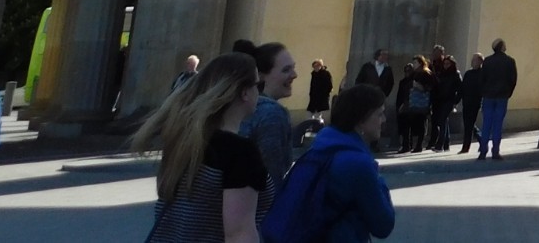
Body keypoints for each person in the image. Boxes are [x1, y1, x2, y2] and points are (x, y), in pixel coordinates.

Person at [134, 50, 272, 243]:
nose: (260, 91)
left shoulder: (184, 140)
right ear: (245, 92)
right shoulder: (240, 153)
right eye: (259, 85)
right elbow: (239, 233)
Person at [263, 82, 394, 243]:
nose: (384, 120)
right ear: (361, 120)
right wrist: (379, 180)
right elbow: (383, 225)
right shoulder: (358, 164)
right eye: (379, 114)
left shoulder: (319, 149)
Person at [233, 40, 298, 188]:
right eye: (286, 70)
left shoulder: (240, 105)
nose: (294, 75)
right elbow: (271, 177)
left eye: (293, 68)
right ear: (261, 75)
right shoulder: (272, 114)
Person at [477, 38, 517, 160]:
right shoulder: (509, 61)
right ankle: (495, 151)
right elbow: (513, 80)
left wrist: (484, 92)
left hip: (488, 96)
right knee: (497, 125)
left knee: (486, 124)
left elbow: (482, 78)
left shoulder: (487, 61)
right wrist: (508, 93)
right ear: (502, 47)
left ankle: (483, 151)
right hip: (502, 96)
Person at [394, 58, 430, 154]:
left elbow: (427, 89)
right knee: (405, 125)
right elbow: (400, 94)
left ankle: (418, 145)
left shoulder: (421, 76)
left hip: (419, 104)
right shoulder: (404, 82)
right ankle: (406, 145)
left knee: (419, 124)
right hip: (407, 104)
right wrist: (400, 105)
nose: (407, 72)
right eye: (406, 71)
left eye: (409, 70)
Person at [430, 51, 461, 151]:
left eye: (448, 64)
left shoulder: (456, 74)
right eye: (445, 64)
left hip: (449, 100)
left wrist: (456, 101)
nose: (446, 65)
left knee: (442, 121)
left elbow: (460, 89)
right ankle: (446, 144)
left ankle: (440, 145)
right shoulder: (442, 74)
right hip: (441, 100)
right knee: (444, 121)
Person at [458, 54, 485, 153]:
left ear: (480, 62)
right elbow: (462, 88)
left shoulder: (482, 73)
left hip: (475, 102)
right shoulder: (468, 73)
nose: (472, 62)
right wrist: (457, 100)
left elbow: (483, 88)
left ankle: (466, 147)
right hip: (466, 101)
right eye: (472, 60)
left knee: (469, 124)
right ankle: (481, 139)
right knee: (468, 124)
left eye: (475, 60)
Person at [306, 60, 333, 125]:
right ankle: (311, 125)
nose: (315, 68)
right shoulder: (314, 74)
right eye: (314, 66)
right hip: (314, 96)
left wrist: (325, 94)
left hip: (322, 97)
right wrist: (311, 94)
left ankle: (318, 126)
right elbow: (312, 85)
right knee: (311, 112)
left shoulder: (326, 74)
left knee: (319, 113)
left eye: (316, 66)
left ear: (320, 66)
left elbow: (329, 85)